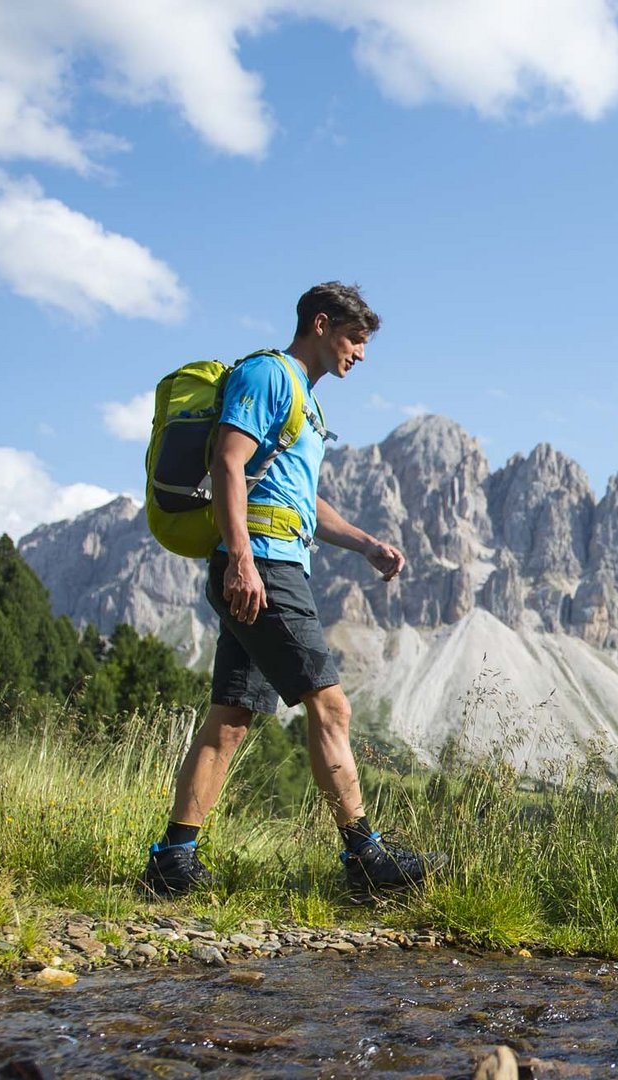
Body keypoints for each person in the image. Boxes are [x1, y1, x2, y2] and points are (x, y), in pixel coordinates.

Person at [144, 282, 444, 896]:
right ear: (321, 323)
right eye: (354, 340)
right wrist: (243, 564)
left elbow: (300, 496)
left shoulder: (304, 399)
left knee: (231, 718)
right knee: (332, 706)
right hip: (264, 568)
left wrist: (365, 544)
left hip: (274, 562)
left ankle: (172, 859)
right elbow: (229, 461)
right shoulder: (269, 376)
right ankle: (365, 858)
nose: (360, 355)